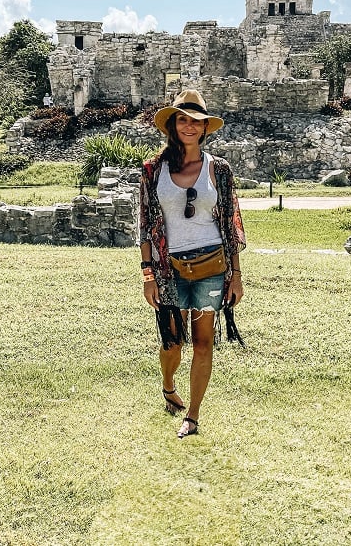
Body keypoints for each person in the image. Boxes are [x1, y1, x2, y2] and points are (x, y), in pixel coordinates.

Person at [138, 89, 246, 439]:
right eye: (182, 119)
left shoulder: (220, 169)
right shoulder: (153, 170)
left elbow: (230, 222)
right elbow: (144, 223)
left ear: (204, 129)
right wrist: (147, 274)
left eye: (196, 121)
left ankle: (194, 415)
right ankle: (168, 384)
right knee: (172, 342)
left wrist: (237, 275)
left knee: (203, 343)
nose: (189, 126)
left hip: (211, 266)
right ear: (173, 125)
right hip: (168, 268)